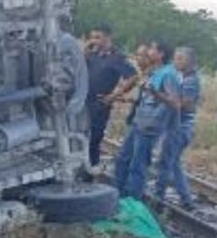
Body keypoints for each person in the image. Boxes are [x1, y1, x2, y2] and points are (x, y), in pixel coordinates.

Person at [112, 40, 181, 200]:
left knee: (138, 166)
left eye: (151, 49)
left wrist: (155, 92)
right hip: (138, 122)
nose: (148, 51)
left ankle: (132, 203)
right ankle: (118, 196)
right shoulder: (155, 72)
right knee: (122, 159)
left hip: (150, 127)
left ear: (160, 54)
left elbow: (175, 103)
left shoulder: (168, 74)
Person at [154, 47, 202, 208]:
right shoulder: (183, 77)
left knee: (165, 163)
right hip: (179, 127)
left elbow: (185, 104)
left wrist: (160, 95)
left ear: (189, 61)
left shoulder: (190, 80)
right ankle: (187, 200)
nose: (176, 61)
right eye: (175, 58)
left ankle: (157, 198)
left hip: (179, 128)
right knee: (174, 163)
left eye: (180, 58)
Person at [84, 24, 137, 167]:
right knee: (79, 136)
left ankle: (90, 174)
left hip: (99, 103)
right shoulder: (91, 54)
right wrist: (86, 49)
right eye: (92, 37)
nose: (93, 41)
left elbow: (132, 77)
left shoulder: (116, 57)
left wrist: (114, 96)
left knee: (93, 140)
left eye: (97, 37)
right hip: (83, 101)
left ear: (108, 38)